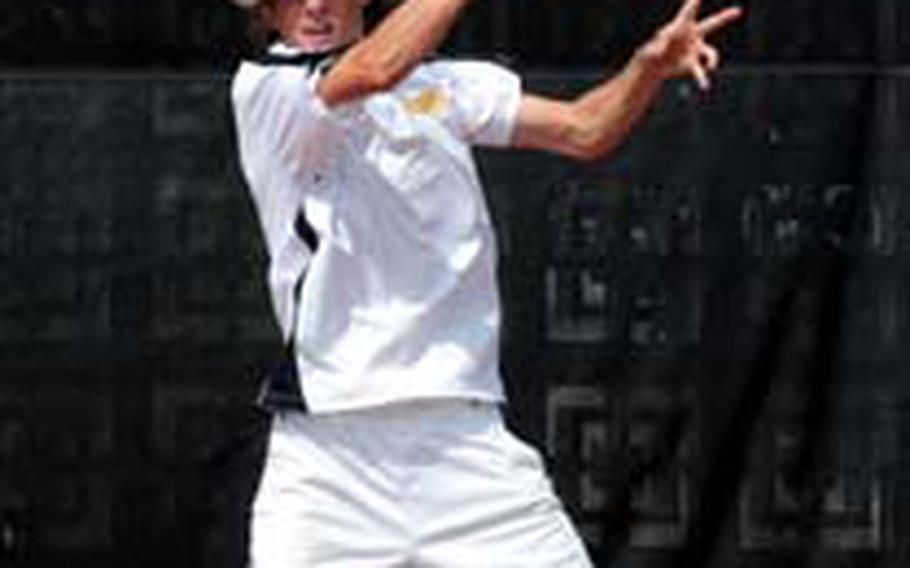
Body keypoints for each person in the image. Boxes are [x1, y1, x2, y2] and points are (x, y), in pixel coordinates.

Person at [229, 0, 742, 565]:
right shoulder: (268, 88)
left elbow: (584, 129)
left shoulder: (447, 84)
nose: (317, 5)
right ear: (268, 12)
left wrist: (646, 66)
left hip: (466, 443)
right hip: (327, 464)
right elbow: (375, 69)